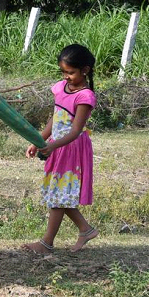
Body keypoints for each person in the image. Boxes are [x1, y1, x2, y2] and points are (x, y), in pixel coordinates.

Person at [23, 44, 99, 254]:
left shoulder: (85, 97)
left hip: (71, 149)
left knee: (58, 195)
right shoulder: (60, 88)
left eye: (71, 72)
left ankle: (47, 243)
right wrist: (38, 140)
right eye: (63, 72)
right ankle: (85, 229)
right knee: (59, 194)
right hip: (57, 147)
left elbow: (75, 130)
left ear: (85, 70)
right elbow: (55, 118)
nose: (66, 76)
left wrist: (52, 145)